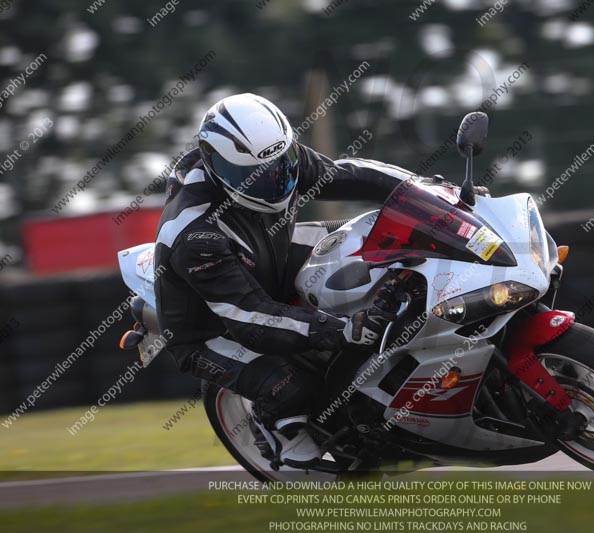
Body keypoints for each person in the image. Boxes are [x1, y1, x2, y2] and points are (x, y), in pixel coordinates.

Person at [154, 93, 412, 468]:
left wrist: (425, 189)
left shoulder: (275, 159)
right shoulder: (195, 234)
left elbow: (349, 174)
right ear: (217, 167)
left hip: (267, 259)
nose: (274, 183)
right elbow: (250, 318)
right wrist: (343, 329)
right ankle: (274, 428)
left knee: (373, 241)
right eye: (252, 176)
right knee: (291, 388)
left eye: (281, 165)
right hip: (214, 329)